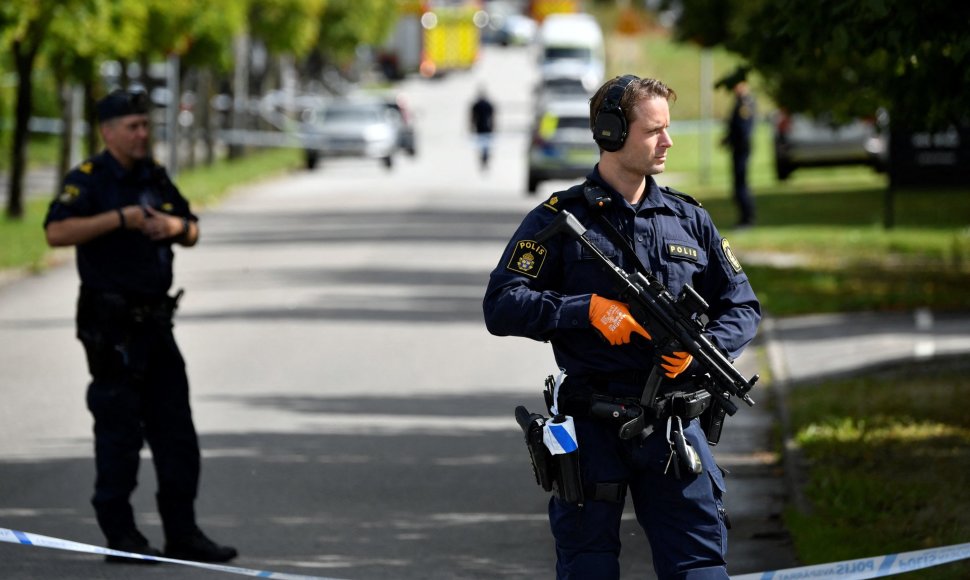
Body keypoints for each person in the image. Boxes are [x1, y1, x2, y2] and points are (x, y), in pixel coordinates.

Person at [483, 75, 761, 579]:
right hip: (592, 427)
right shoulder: (559, 220)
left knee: (699, 568)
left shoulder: (688, 218)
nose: (667, 142)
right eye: (654, 130)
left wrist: (703, 352)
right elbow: (501, 304)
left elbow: (742, 305)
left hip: (675, 428)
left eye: (667, 129)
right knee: (587, 569)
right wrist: (585, 309)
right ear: (611, 133)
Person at [44, 89, 237, 564]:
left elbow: (191, 227)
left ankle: (182, 533)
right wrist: (119, 220)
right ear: (107, 132)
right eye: (132, 126)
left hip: (155, 324)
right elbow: (55, 232)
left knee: (177, 434)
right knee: (119, 433)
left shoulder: (155, 176)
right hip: (110, 328)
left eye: (145, 125)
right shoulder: (89, 180)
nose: (142, 133)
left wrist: (174, 229)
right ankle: (122, 535)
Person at [717, 66, 757, 228]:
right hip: (738, 148)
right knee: (737, 184)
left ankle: (747, 218)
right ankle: (743, 217)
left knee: (741, 185)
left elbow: (743, 130)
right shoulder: (740, 102)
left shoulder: (745, 103)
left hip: (742, 149)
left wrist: (731, 139)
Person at [470, 86, 495, 170]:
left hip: (480, 127)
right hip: (486, 127)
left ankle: (484, 158)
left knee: (482, 146)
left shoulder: (477, 105)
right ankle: (485, 158)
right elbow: (493, 117)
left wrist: (471, 126)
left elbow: (472, 117)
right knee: (485, 146)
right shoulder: (487, 104)